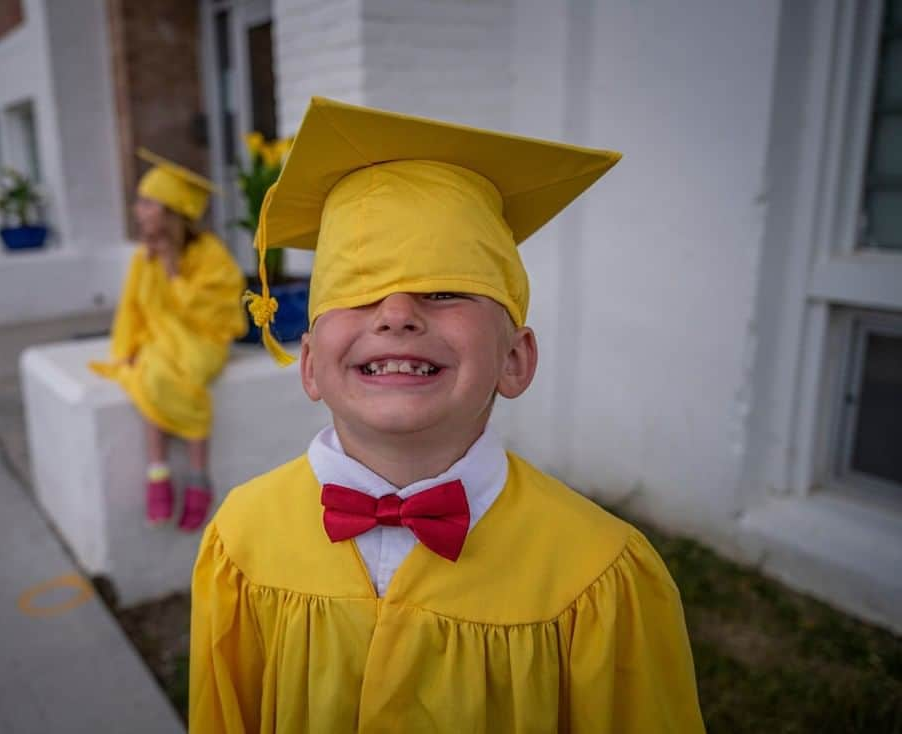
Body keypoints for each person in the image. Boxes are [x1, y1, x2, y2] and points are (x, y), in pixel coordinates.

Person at [188, 98, 705, 732]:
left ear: (514, 359)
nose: (397, 313)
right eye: (359, 293)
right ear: (310, 366)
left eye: (443, 291)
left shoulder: (599, 575)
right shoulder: (240, 541)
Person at [90, 149, 247, 530]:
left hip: (202, 339)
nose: (137, 210)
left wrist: (174, 270)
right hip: (162, 336)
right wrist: (125, 349)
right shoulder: (143, 257)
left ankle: (198, 475)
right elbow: (132, 309)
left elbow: (216, 312)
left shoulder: (210, 254)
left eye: (147, 203)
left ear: (173, 212)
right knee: (151, 373)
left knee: (187, 372)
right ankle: (158, 471)